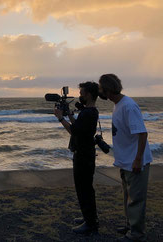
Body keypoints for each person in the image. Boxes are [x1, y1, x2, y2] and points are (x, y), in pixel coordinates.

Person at [98, 74, 152, 242]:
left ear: (107, 90)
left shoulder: (128, 106)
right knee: (128, 196)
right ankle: (130, 225)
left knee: (136, 199)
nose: (99, 91)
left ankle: (136, 234)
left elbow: (142, 133)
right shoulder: (118, 104)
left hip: (135, 161)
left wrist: (137, 160)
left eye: (101, 88)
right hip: (126, 160)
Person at [54, 82, 100, 235]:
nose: (79, 95)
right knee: (86, 188)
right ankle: (89, 218)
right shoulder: (90, 111)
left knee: (84, 189)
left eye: (81, 93)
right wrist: (71, 116)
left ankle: (91, 223)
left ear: (88, 94)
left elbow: (74, 131)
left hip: (83, 156)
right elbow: (79, 128)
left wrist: (61, 119)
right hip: (85, 154)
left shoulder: (88, 113)